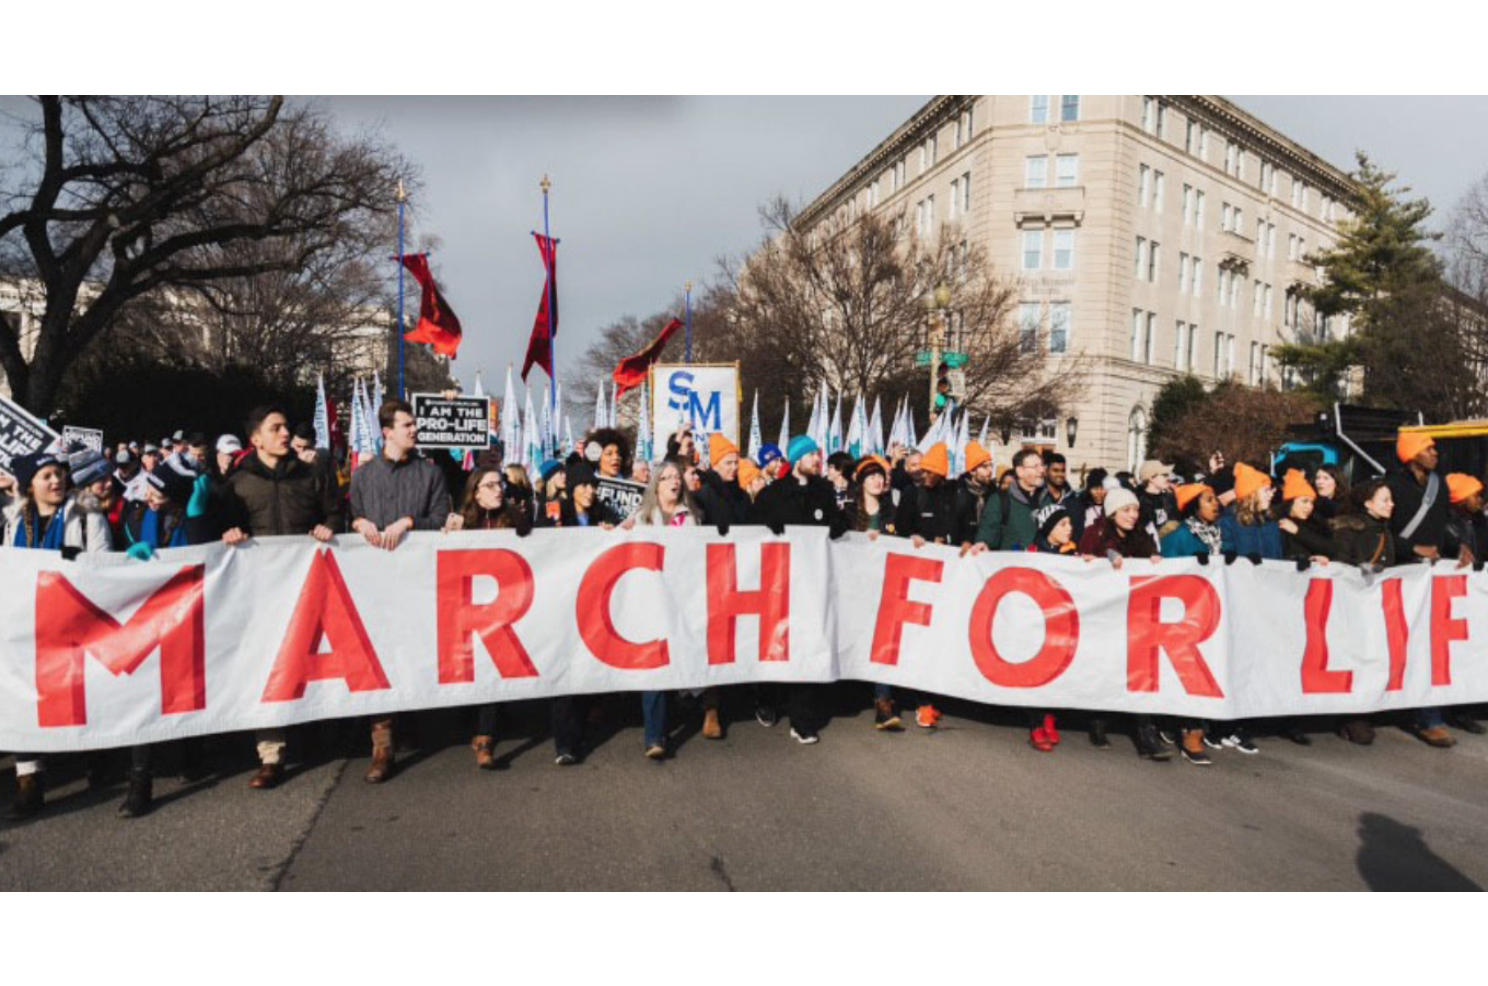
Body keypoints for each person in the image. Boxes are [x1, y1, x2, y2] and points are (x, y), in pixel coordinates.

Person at [219, 404, 344, 790]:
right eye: (276, 428)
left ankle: (314, 729)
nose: (285, 433)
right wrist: (229, 534)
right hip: (259, 594)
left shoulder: (311, 476)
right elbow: (220, 527)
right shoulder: (239, 483)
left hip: (306, 588)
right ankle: (270, 754)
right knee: (266, 669)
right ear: (256, 439)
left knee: (310, 660)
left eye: (286, 426)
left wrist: (328, 527)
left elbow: (335, 513)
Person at [3, 450, 113, 818]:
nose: (56, 481)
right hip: (27, 621)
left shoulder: (86, 514)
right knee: (20, 695)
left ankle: (97, 755)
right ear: (30, 484)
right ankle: (29, 779)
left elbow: (103, 562)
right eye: (46, 476)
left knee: (84, 695)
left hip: (74, 620)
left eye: (59, 474)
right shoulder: (13, 518)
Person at [347, 398, 451, 784]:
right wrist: (357, 523)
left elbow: (440, 520)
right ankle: (382, 744)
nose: (414, 430)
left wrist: (410, 521)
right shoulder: (362, 476)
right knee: (379, 656)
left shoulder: (430, 474)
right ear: (387, 431)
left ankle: (407, 720)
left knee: (411, 654)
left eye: (414, 424)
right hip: (373, 584)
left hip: (417, 581)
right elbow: (350, 517)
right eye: (406, 424)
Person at [752, 435, 846, 743]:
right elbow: (756, 529)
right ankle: (767, 698)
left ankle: (802, 721)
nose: (818, 460)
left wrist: (836, 526)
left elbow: (837, 522)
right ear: (796, 460)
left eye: (818, 456)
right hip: (781, 584)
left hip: (813, 584)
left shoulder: (823, 490)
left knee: (806, 647)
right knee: (778, 644)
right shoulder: (774, 494)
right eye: (811, 456)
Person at [444, 466, 533, 769]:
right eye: (491, 485)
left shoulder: (510, 517)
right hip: (467, 610)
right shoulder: (463, 522)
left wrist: (521, 513)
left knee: (493, 671)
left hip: (501, 610)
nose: (498, 490)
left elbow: (531, 531)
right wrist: (449, 535)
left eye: (501, 485)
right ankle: (472, 721)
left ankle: (485, 738)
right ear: (476, 491)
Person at [1386, 432, 1469, 748]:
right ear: (1411, 455)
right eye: (1428, 448)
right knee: (1405, 646)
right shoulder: (1392, 486)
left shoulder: (1440, 484)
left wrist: (1458, 545)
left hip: (1432, 578)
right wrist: (1413, 548)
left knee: (1432, 645)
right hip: (1401, 576)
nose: (1435, 453)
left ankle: (1432, 716)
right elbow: (1381, 534)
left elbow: (1442, 523)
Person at [1077, 486, 1170, 762]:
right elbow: (1086, 557)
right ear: (1113, 512)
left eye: (1135, 510)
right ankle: (1098, 721)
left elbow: (1151, 553)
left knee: (1139, 669)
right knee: (1105, 666)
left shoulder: (1139, 534)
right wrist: (1101, 558)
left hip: (1134, 615)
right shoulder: (1095, 533)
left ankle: (1145, 733)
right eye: (1126, 510)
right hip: (1103, 615)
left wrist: (1153, 559)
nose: (1133, 515)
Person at [623, 458, 700, 759]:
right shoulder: (642, 517)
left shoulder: (691, 516)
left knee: (680, 661)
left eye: (677, 476)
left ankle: (687, 706)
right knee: (654, 668)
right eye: (666, 477)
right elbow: (617, 540)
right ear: (656, 485)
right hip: (651, 601)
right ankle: (655, 736)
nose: (674, 481)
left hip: (682, 601)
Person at [1159, 483, 1231, 765]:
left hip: (1213, 613)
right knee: (1189, 670)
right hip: (1184, 613)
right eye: (1209, 500)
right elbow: (1166, 572)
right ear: (1193, 506)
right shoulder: (1179, 537)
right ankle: (1191, 730)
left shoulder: (1220, 534)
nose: (1216, 505)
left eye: (1216, 499)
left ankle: (1185, 722)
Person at [1025, 505, 1078, 752]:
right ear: (1048, 529)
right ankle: (1037, 722)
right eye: (1063, 524)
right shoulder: (1031, 552)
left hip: (1062, 623)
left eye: (1070, 523)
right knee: (1038, 672)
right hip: (1037, 623)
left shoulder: (1073, 554)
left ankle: (1050, 716)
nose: (1070, 529)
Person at [976, 448, 1051, 551]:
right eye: (1035, 466)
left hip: (1041, 565)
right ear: (1020, 471)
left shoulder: (1048, 499)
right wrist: (983, 542)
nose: (1042, 470)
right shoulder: (1000, 500)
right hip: (1012, 564)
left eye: (1042, 465)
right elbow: (989, 530)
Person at [1278, 469, 1334, 565]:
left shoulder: (1316, 523)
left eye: (1311, 502)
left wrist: (1298, 531)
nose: (1309, 507)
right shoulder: (1276, 522)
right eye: (1304, 501)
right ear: (1291, 502)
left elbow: (1330, 548)